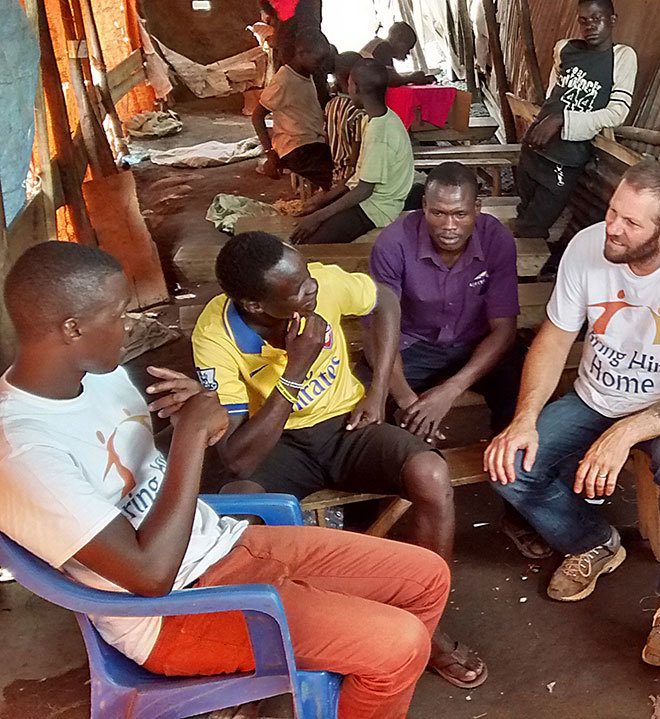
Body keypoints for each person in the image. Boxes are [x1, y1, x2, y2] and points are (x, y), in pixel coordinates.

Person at [0, 241, 451, 717]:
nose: (130, 325)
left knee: (427, 577)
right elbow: (150, 576)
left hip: (222, 544)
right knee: (398, 645)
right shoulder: (24, 452)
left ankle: (354, 674)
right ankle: (369, 667)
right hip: (172, 614)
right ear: (72, 328)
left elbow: (130, 460)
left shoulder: (94, 376)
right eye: (117, 314)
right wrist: (191, 436)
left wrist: (187, 414)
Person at [191, 231, 487, 688]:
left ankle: (426, 625)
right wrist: (294, 370)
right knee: (241, 509)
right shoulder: (216, 337)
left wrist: (378, 388)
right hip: (279, 445)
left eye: (309, 277)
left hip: (348, 429)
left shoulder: (321, 283)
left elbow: (384, 301)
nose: (313, 288)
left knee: (431, 472)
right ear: (255, 304)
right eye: (299, 289)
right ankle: (285, 642)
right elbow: (237, 459)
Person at [484, 160, 660, 667]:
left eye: (631, 223)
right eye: (612, 212)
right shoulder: (588, 247)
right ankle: (594, 540)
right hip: (595, 397)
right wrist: (523, 419)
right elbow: (556, 337)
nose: (613, 228)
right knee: (509, 467)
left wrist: (625, 432)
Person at [369, 161, 551, 559]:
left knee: (523, 392)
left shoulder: (497, 240)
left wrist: (448, 392)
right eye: (437, 213)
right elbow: (382, 334)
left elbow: (503, 329)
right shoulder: (393, 244)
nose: (448, 225)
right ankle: (366, 515)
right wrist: (410, 404)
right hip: (412, 347)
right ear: (423, 208)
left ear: (477, 209)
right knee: (370, 401)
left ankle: (518, 506)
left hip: (476, 346)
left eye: (459, 213)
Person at [513, 0, 637, 241]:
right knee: (524, 209)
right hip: (536, 144)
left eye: (597, 19)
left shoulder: (622, 57)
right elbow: (554, 91)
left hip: (567, 156)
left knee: (535, 224)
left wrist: (562, 120)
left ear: (612, 20)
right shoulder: (566, 48)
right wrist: (546, 118)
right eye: (584, 20)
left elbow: (617, 112)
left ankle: (524, 268)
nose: (590, 25)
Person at [293, 58, 414, 245]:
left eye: (349, 84)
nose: (347, 89)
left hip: (377, 209)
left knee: (310, 243)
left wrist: (319, 217)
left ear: (355, 88)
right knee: (310, 221)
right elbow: (358, 179)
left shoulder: (380, 132)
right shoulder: (376, 119)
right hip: (369, 199)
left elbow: (364, 190)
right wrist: (323, 200)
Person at [253, 30, 333, 191]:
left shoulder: (306, 74)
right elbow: (257, 116)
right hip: (296, 148)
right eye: (318, 60)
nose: (321, 65)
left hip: (312, 142)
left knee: (344, 160)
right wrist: (270, 154)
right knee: (338, 176)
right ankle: (322, 207)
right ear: (301, 53)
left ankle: (323, 200)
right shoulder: (284, 80)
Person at [325, 51, 368, 188]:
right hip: (351, 175)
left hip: (335, 171)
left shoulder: (330, 105)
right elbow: (356, 154)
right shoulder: (358, 112)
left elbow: (327, 137)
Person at [361, 21, 433, 86]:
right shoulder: (383, 47)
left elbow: (389, 76)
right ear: (398, 39)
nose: (408, 53)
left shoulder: (376, 43)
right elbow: (391, 80)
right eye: (408, 47)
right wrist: (412, 78)